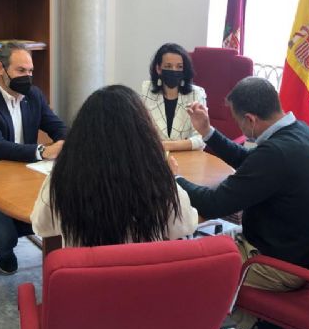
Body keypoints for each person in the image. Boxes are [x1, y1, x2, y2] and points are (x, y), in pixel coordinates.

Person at [172, 77, 309, 329]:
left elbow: (214, 204)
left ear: (251, 119)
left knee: (188, 273)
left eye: (238, 122)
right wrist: (207, 132)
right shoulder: (300, 132)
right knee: (198, 252)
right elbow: (251, 162)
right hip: (294, 250)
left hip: (276, 265)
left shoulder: (277, 153)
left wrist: (174, 178)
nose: (240, 129)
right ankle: (265, 325)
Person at [31, 85, 198, 246]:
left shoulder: (62, 178)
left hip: (86, 266)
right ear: (142, 132)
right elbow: (187, 224)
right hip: (142, 266)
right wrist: (172, 179)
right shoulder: (157, 180)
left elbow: (41, 227)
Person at [0, 43, 67, 274]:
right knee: (4, 239)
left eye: (30, 71)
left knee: (50, 218)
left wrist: (68, 141)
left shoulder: (33, 95)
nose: (27, 77)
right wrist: (42, 152)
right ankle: (1, 248)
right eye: (21, 70)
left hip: (22, 176)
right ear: (1, 68)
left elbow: (56, 126)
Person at [141, 43, 207, 151]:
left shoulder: (196, 94)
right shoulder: (147, 90)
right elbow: (141, 132)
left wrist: (165, 146)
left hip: (187, 156)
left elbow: (202, 138)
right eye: (168, 66)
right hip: (155, 155)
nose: (174, 70)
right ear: (158, 69)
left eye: (179, 67)